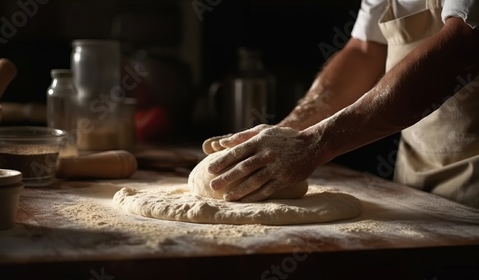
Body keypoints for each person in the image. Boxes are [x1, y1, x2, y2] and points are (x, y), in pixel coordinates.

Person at [201, 0, 479, 209]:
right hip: (414, 188)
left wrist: (315, 143)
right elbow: (363, 51)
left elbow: (460, 50)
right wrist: (287, 133)